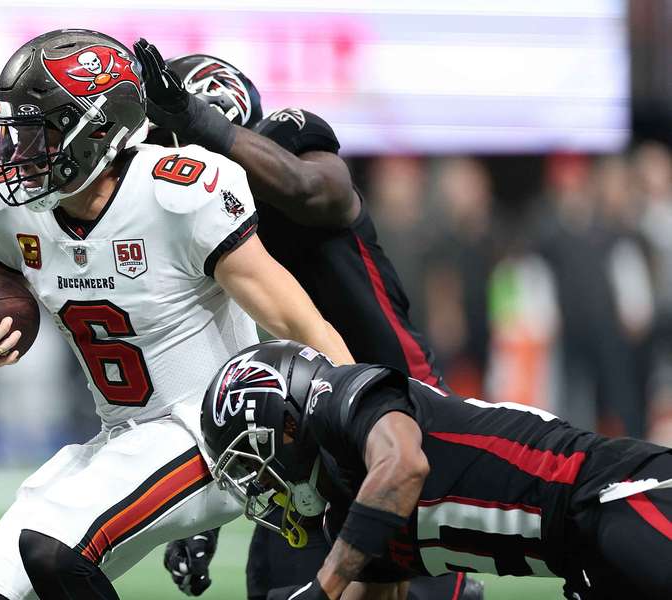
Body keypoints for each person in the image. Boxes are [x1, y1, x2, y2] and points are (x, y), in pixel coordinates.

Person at [0, 30, 353, 600]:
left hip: (218, 435)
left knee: (54, 548)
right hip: (119, 437)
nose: (18, 152)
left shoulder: (179, 193)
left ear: (97, 130)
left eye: (39, 133)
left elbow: (303, 326)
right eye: (14, 134)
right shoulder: (14, 212)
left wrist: (361, 425)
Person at [132, 42, 480, 599]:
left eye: (165, 143)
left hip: (400, 420)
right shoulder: (183, 229)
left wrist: (199, 126)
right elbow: (224, 375)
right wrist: (206, 512)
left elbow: (306, 187)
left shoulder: (290, 150)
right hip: (304, 456)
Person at [203, 340, 672, 600]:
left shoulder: (342, 399)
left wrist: (323, 587)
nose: (263, 485)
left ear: (286, 422)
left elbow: (405, 466)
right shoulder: (352, 516)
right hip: (582, 559)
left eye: (255, 462)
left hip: (619, 496)